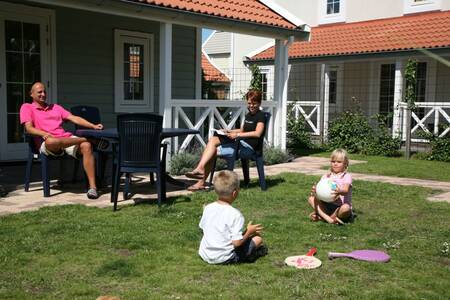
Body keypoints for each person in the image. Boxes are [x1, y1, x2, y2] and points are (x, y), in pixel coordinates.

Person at [20, 82, 103, 199]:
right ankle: (88, 138)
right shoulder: (26, 107)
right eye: (39, 92)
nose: (43, 94)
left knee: (86, 146)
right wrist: (43, 133)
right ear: (31, 94)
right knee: (51, 141)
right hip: (48, 143)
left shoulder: (56, 107)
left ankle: (93, 188)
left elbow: (74, 118)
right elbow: (28, 128)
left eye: (44, 91)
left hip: (65, 139)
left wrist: (93, 126)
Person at [185, 89, 265, 191]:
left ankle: (200, 177)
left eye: (254, 103)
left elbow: (257, 133)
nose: (251, 106)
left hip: (249, 147)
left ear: (259, 103)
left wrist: (237, 135)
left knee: (212, 150)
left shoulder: (261, 116)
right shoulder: (249, 115)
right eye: (249, 103)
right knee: (214, 140)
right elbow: (242, 130)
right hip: (240, 142)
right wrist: (228, 131)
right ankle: (200, 170)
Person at [198, 170, 268, 264]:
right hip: (224, 258)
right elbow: (236, 243)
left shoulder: (208, 207)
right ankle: (252, 255)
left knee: (245, 237)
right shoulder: (235, 214)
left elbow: (202, 228)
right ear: (234, 193)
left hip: (205, 254)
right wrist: (248, 231)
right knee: (257, 239)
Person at [307, 149, 353, 224]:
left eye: (339, 162)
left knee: (346, 208)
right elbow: (321, 193)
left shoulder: (346, 176)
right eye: (333, 161)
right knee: (311, 199)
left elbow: (345, 190)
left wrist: (339, 191)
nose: (335, 164)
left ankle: (323, 217)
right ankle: (329, 219)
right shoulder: (326, 177)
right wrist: (316, 190)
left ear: (345, 164)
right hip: (327, 205)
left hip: (339, 208)